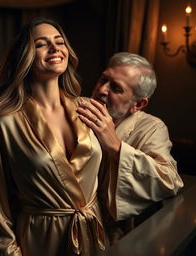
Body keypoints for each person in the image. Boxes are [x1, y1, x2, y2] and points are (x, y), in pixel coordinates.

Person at [0, 17, 116, 256]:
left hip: (93, 238)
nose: (55, 48)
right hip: (41, 241)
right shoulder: (5, 123)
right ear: (24, 56)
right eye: (41, 44)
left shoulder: (89, 108)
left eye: (59, 42)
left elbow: (110, 181)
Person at [77, 52, 184, 241]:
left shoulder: (151, 128)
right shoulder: (77, 108)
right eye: (103, 79)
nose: (102, 89)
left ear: (138, 104)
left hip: (118, 236)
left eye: (116, 88)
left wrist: (116, 147)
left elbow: (169, 180)